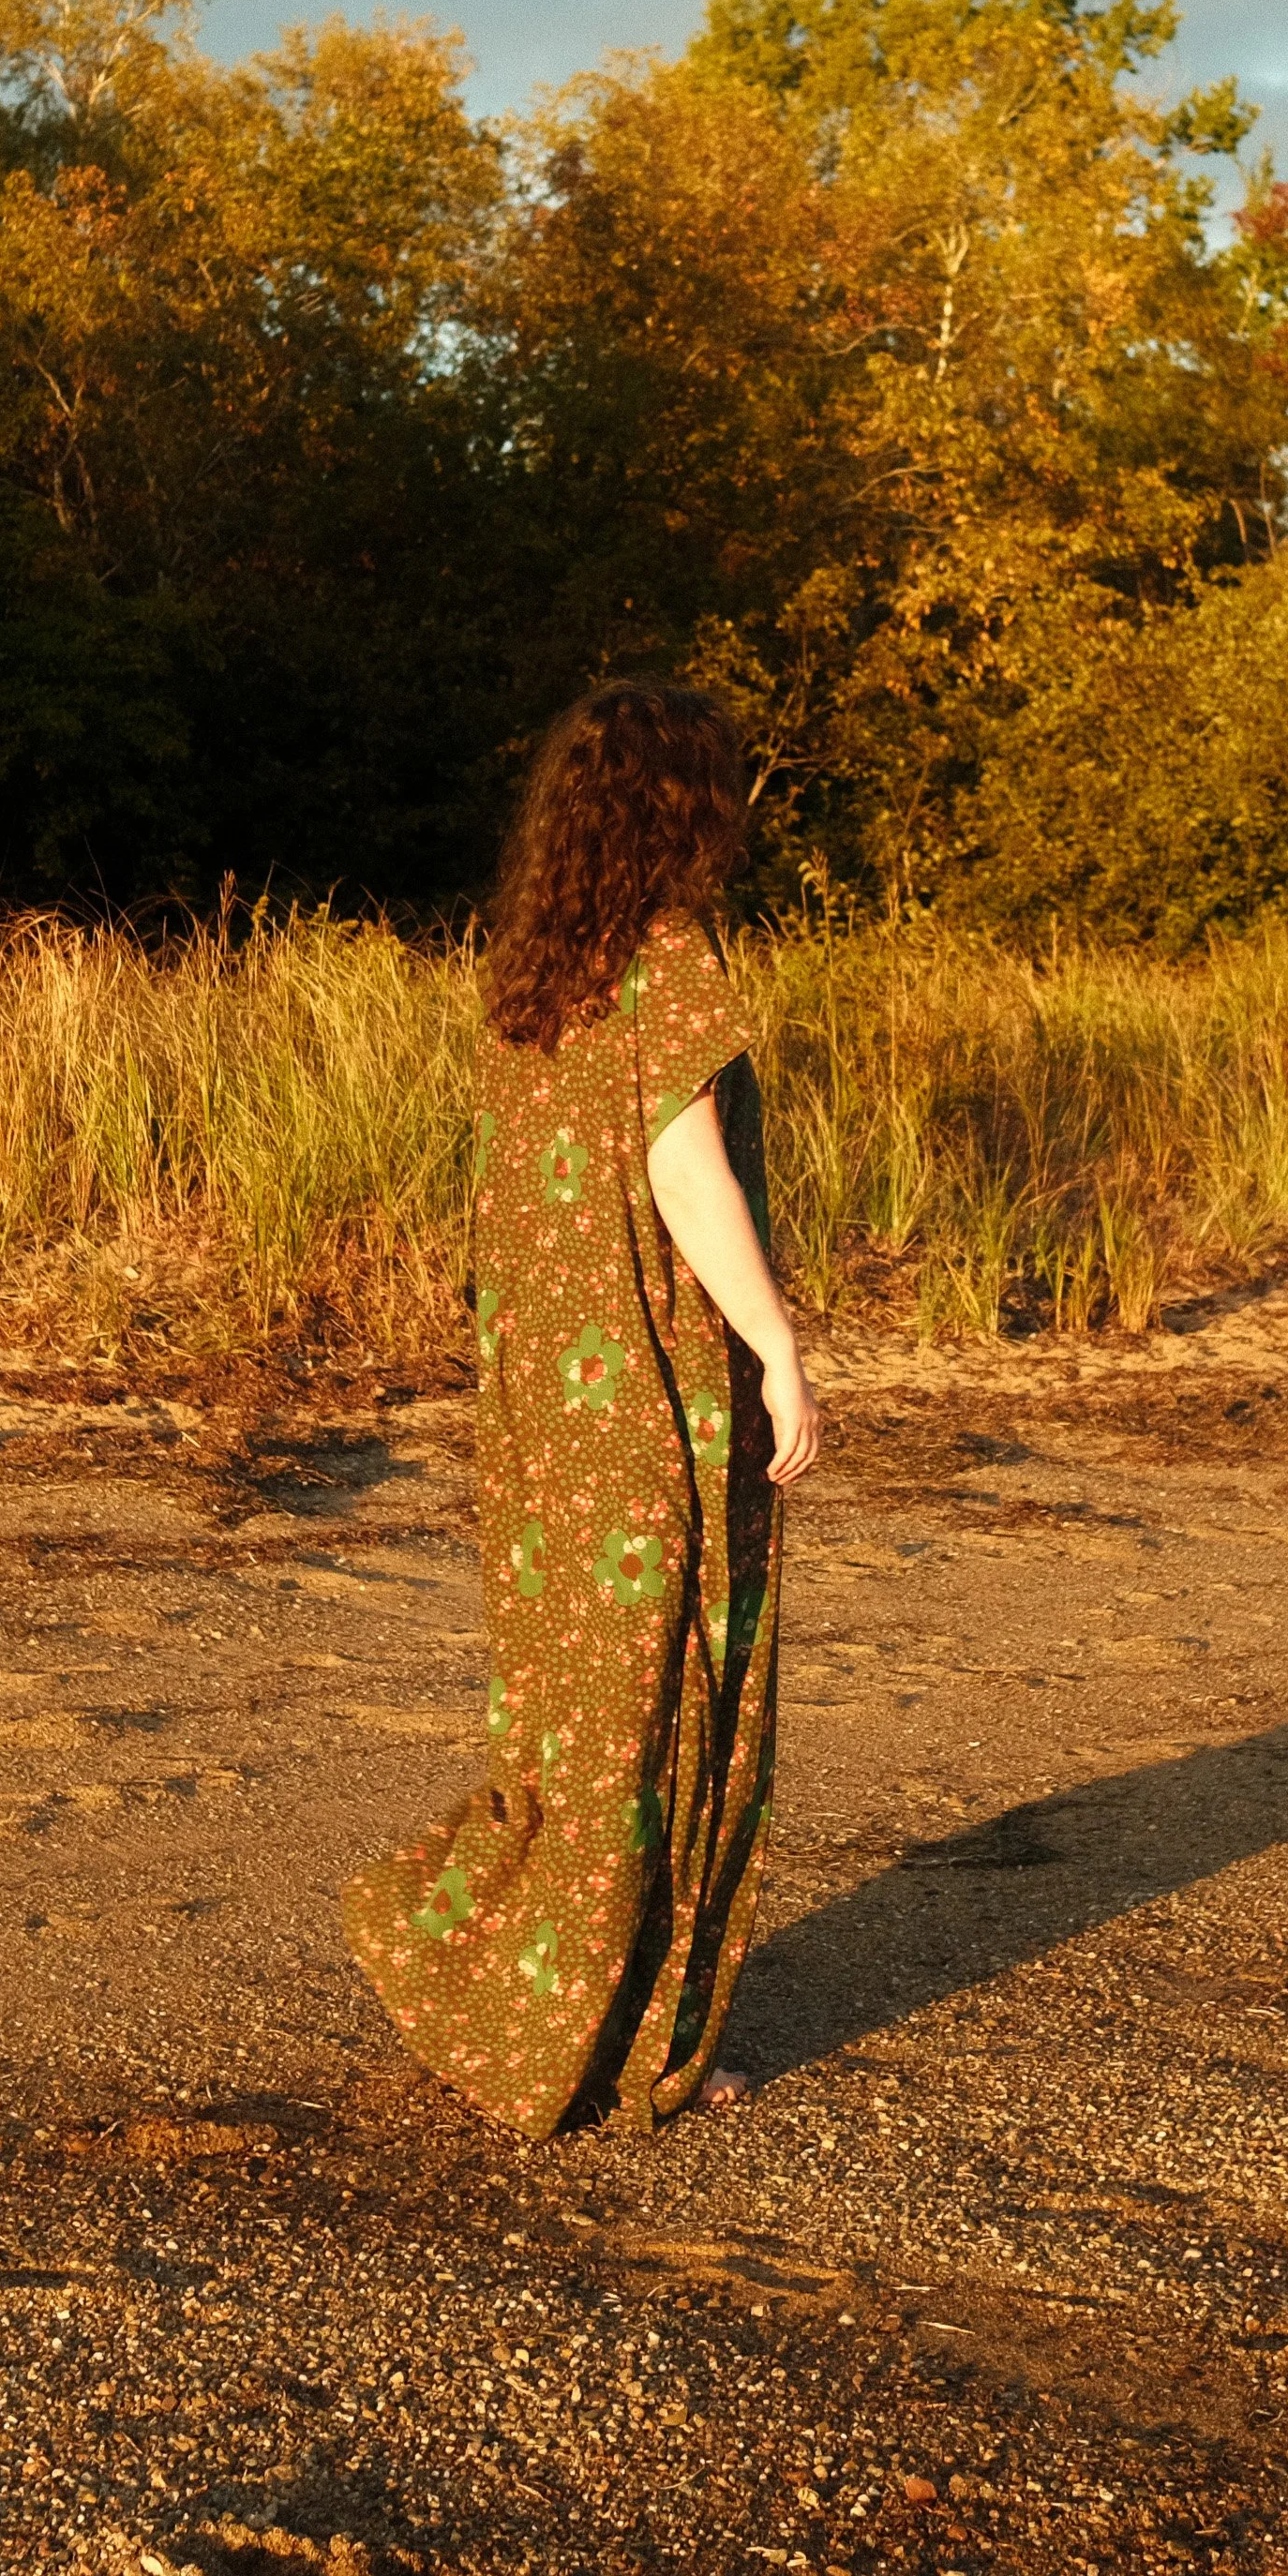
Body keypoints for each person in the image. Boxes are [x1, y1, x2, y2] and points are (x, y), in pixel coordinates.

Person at [342, 681, 820, 2137]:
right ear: (686, 806)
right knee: (664, 1709)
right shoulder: (670, 962)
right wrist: (782, 1345)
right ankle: (610, 2048)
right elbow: (689, 1184)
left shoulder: (535, 974)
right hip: (645, 1401)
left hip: (542, 1407)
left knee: (564, 1719)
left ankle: (542, 2006)